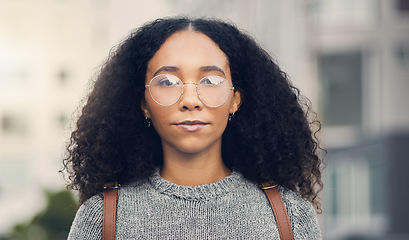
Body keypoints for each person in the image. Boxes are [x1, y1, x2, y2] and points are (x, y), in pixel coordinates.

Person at [64, 17, 324, 239]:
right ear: (144, 104)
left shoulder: (291, 216)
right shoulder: (102, 218)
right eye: (167, 81)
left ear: (235, 99)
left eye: (210, 80)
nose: (190, 100)